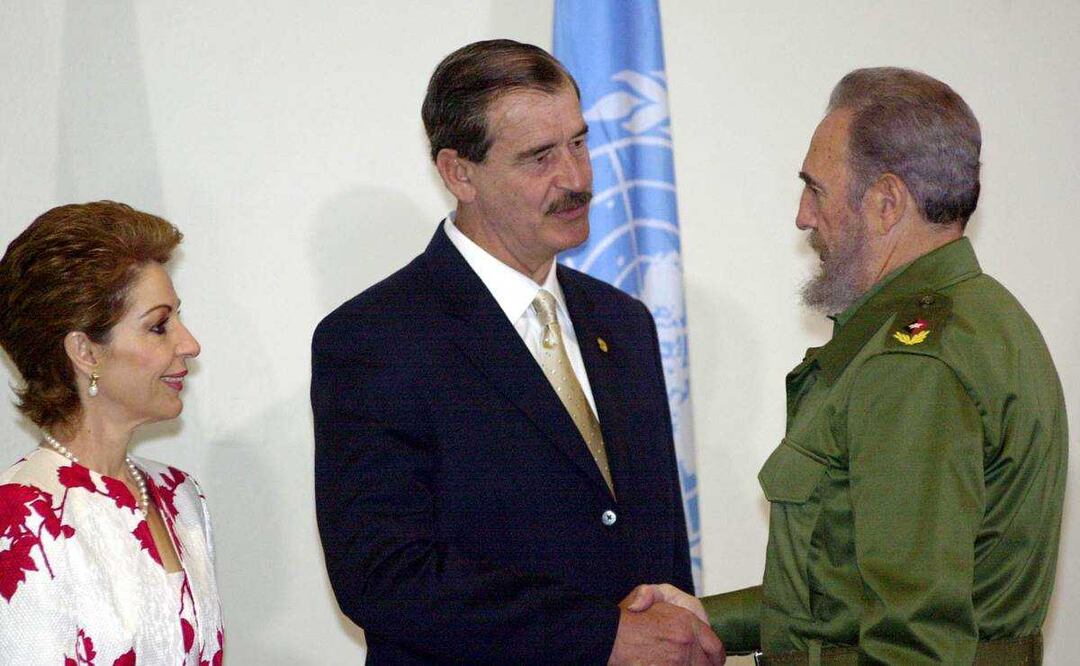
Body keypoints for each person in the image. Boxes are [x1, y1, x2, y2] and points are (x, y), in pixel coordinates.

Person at [312, 39, 722, 664]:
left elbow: (656, 545)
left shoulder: (623, 323)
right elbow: (383, 575)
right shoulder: (375, 338)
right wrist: (600, 637)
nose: (577, 179)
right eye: (540, 157)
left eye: (579, 143)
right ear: (459, 173)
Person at [696, 68, 1067, 663]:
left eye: (816, 190)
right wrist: (703, 623)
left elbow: (913, 642)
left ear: (886, 203)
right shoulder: (983, 316)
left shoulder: (912, 364)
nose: (802, 216)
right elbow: (848, 593)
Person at [0, 202, 224, 664]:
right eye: (159, 326)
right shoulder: (20, 516)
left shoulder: (180, 495)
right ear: (85, 352)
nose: (190, 344)